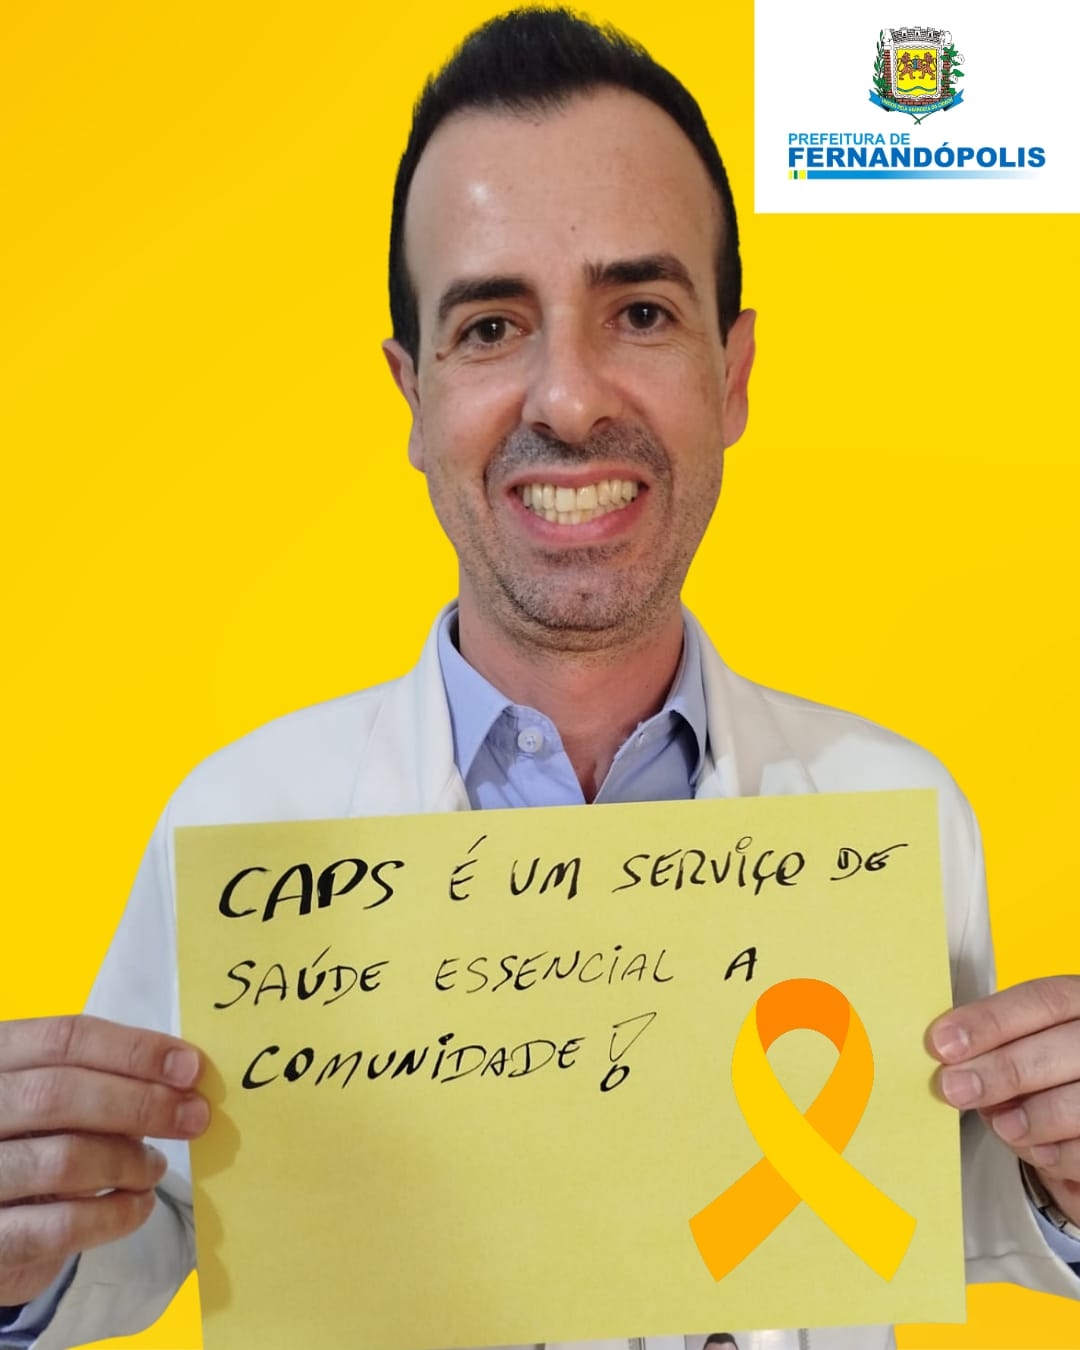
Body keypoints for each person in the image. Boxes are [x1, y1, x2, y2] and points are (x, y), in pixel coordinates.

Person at [1, 9, 1078, 1350]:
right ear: (412, 394)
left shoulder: (897, 808)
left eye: (641, 312)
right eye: (492, 324)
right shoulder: (237, 822)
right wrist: (20, 1228)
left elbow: (938, 1201)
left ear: (733, 374)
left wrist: (1064, 1178)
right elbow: (145, 1231)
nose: (569, 399)